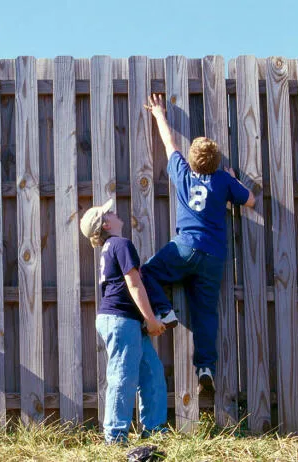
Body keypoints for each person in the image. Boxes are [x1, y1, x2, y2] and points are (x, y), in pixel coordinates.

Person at [142, 94, 256, 394]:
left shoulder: (181, 173)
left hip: (185, 247)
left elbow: (169, 144)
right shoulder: (223, 181)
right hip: (214, 256)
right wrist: (234, 179)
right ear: (218, 163)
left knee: (148, 273)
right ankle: (205, 366)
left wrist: (159, 114)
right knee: (205, 312)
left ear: (191, 160)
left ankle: (164, 310)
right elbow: (251, 201)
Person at [80, 199, 168, 444]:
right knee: (122, 375)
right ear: (106, 224)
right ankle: (115, 436)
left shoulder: (110, 247)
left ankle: (155, 431)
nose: (115, 211)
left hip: (123, 319)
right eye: (109, 212)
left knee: (151, 372)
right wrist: (151, 319)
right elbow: (134, 284)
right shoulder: (121, 244)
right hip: (121, 320)